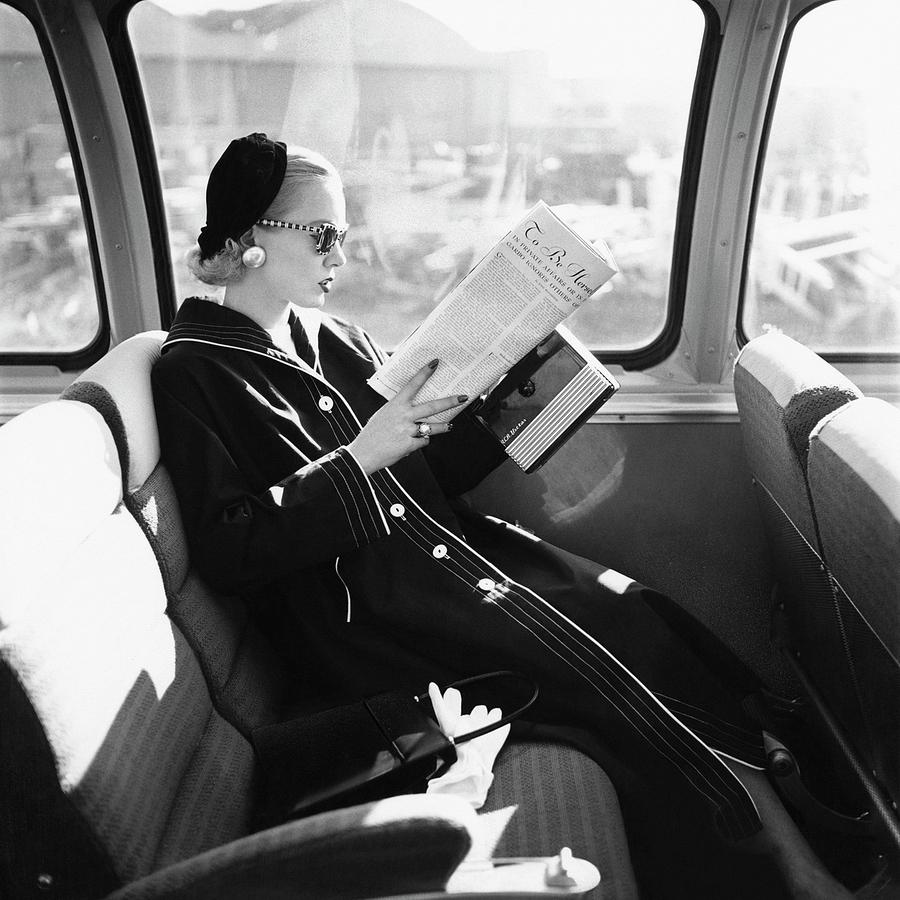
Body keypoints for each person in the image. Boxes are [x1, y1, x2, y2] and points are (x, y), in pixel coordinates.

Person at [151, 133, 852, 899]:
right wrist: (362, 458)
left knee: (642, 616)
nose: (339, 256)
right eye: (323, 235)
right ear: (254, 235)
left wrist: (534, 380)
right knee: (599, 673)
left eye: (344, 236)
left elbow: (430, 478)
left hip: (451, 561)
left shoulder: (336, 338)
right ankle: (777, 871)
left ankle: (801, 802)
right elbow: (231, 546)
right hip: (376, 619)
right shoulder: (196, 369)